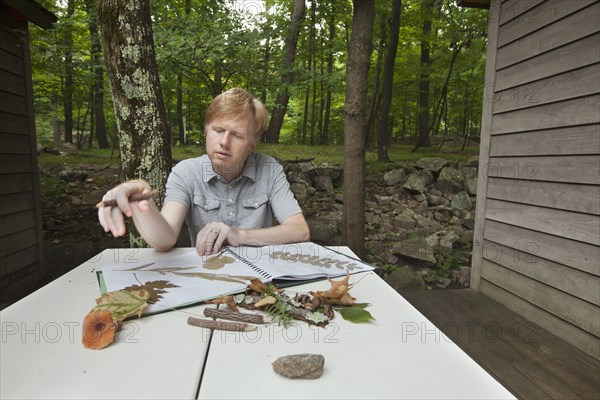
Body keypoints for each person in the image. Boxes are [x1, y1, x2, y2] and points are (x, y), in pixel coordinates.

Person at [98, 88, 310, 256]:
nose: (224, 142)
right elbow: (164, 239)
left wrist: (238, 234)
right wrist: (140, 199)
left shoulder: (269, 169)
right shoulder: (186, 172)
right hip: (206, 277)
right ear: (206, 131)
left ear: (252, 144)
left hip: (260, 279)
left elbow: (300, 230)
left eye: (237, 135)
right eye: (218, 131)